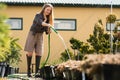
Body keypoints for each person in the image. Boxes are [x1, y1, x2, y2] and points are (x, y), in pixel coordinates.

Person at [24, 4, 54, 77]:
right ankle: (29, 71)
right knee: (30, 52)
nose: (48, 11)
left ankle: (37, 72)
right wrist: (47, 25)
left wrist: (49, 30)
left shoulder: (48, 19)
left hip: (40, 36)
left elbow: (46, 31)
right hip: (33, 34)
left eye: (50, 10)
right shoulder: (38, 15)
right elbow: (40, 23)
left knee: (39, 52)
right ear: (44, 9)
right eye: (47, 9)